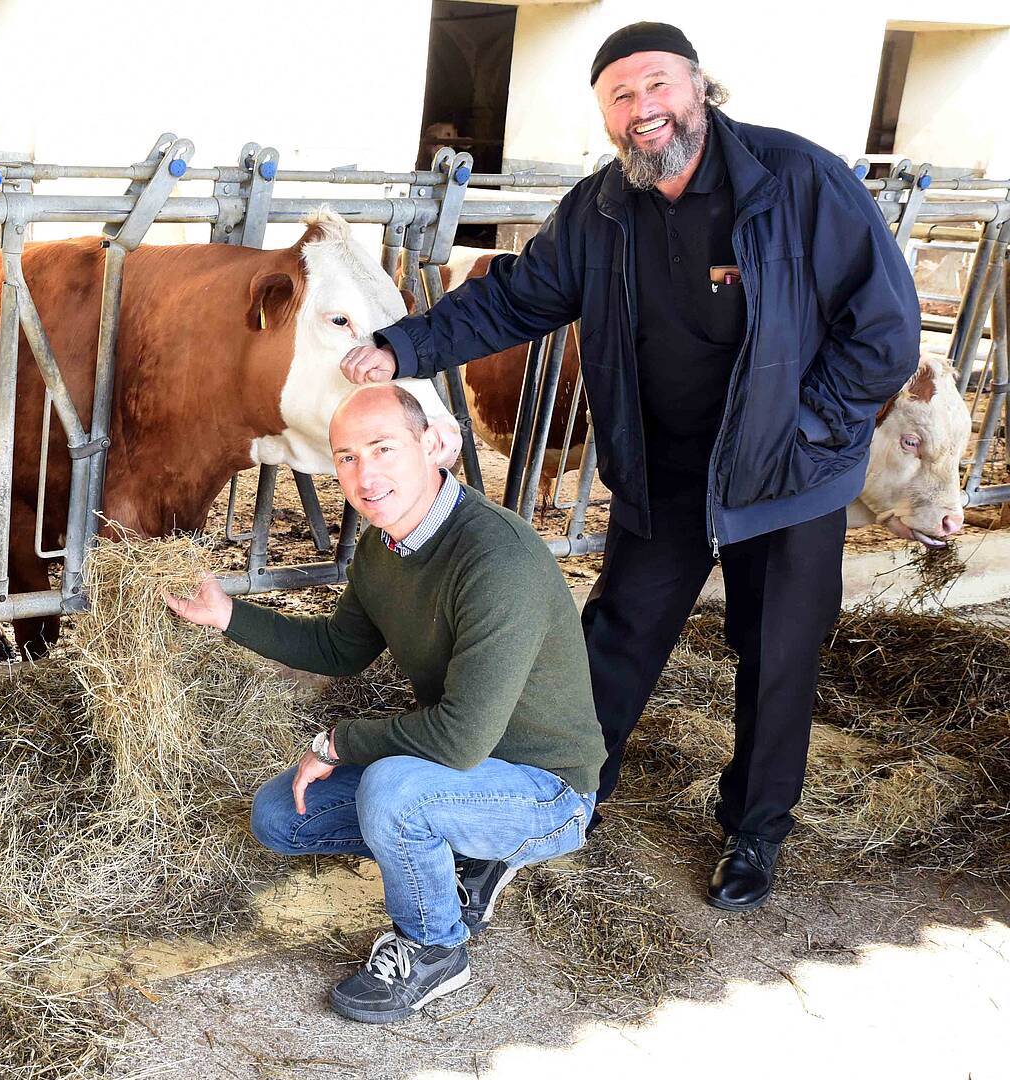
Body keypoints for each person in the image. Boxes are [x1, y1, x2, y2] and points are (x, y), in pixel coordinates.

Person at [338, 22, 920, 912]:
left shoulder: (801, 182)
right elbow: (516, 298)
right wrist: (400, 345)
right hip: (668, 467)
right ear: (607, 115)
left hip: (790, 479)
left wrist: (805, 433)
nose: (643, 109)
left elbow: (882, 336)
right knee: (614, 636)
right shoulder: (602, 209)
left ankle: (757, 831)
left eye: (657, 86)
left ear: (698, 86)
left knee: (777, 657)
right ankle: (564, 800)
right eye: (621, 95)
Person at [166, 385, 604, 1025]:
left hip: (546, 790)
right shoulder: (384, 546)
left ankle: (433, 948)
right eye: (345, 456)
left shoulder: (495, 558)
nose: (364, 474)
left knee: (396, 791)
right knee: (281, 816)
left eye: (382, 448)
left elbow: (458, 741)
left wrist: (339, 743)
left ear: (432, 446)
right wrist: (227, 614)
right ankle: (461, 855)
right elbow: (341, 648)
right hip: (459, 775)